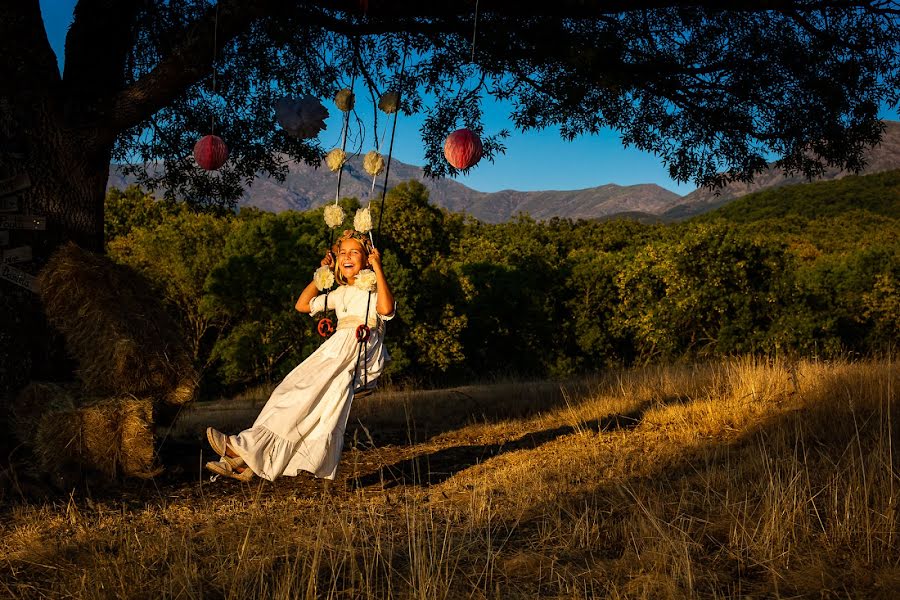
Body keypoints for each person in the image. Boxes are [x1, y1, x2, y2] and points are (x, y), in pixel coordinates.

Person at [205, 230, 395, 482]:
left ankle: (243, 449)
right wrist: (322, 275)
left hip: (356, 350)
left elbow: (386, 309)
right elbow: (303, 305)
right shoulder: (338, 294)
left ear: (366, 258)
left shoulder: (371, 288)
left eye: (354, 252)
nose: (347, 257)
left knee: (301, 394)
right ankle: (245, 461)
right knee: (287, 392)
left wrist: (377, 268)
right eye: (342, 253)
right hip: (334, 350)